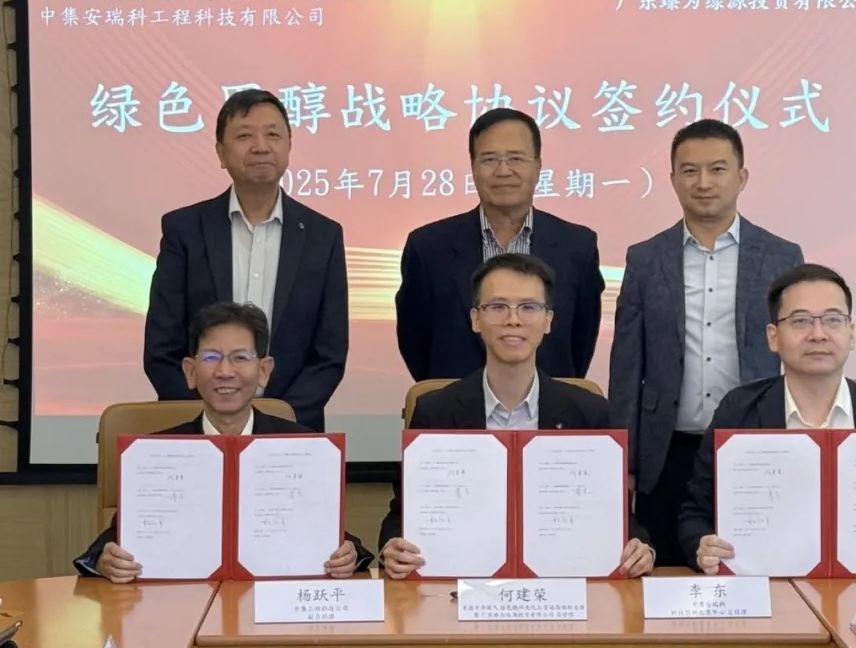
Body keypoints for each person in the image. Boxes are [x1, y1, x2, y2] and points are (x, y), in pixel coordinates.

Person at [380, 253, 654, 579]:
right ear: (475, 319)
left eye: (528, 307)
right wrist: (391, 547)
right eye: (497, 307)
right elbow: (402, 516)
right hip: (460, 584)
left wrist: (642, 548)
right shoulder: (435, 411)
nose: (513, 320)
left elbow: (619, 517)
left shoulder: (590, 413)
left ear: (548, 320)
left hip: (563, 583)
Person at [608, 119, 804, 565]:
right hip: (667, 449)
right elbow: (627, 367)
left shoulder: (781, 256)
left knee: (753, 569)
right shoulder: (646, 258)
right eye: (690, 170)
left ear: (742, 176)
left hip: (754, 445)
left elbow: (796, 356)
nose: (703, 182)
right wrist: (624, 460)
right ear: (673, 179)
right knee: (665, 571)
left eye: (717, 169)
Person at [678, 263, 856, 573]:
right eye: (800, 321)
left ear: (851, 333)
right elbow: (695, 514)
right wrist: (702, 546)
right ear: (773, 337)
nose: (818, 334)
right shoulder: (738, 412)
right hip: (767, 587)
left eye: (833, 320)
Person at [75, 301, 373, 582]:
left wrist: (347, 556)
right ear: (190, 372)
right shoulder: (156, 453)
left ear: (264, 371)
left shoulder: (305, 448)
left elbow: (339, 541)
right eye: (211, 357)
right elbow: (109, 544)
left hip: (271, 602)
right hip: (182, 602)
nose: (225, 372)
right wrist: (104, 560)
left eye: (240, 358)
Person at [143, 89, 347, 431]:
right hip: (202, 430)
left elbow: (329, 354)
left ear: (288, 146)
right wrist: (212, 416)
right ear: (221, 152)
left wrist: (277, 419)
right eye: (244, 136)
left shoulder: (322, 235)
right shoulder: (185, 230)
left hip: (290, 431)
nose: (260, 146)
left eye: (272, 135)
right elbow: (162, 347)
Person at [395, 108, 604, 381]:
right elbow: (415, 341)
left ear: (538, 166)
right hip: (454, 404)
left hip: (550, 404)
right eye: (489, 159)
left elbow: (580, 343)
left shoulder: (577, 247)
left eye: (516, 158)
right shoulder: (428, 248)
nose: (503, 171)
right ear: (473, 167)